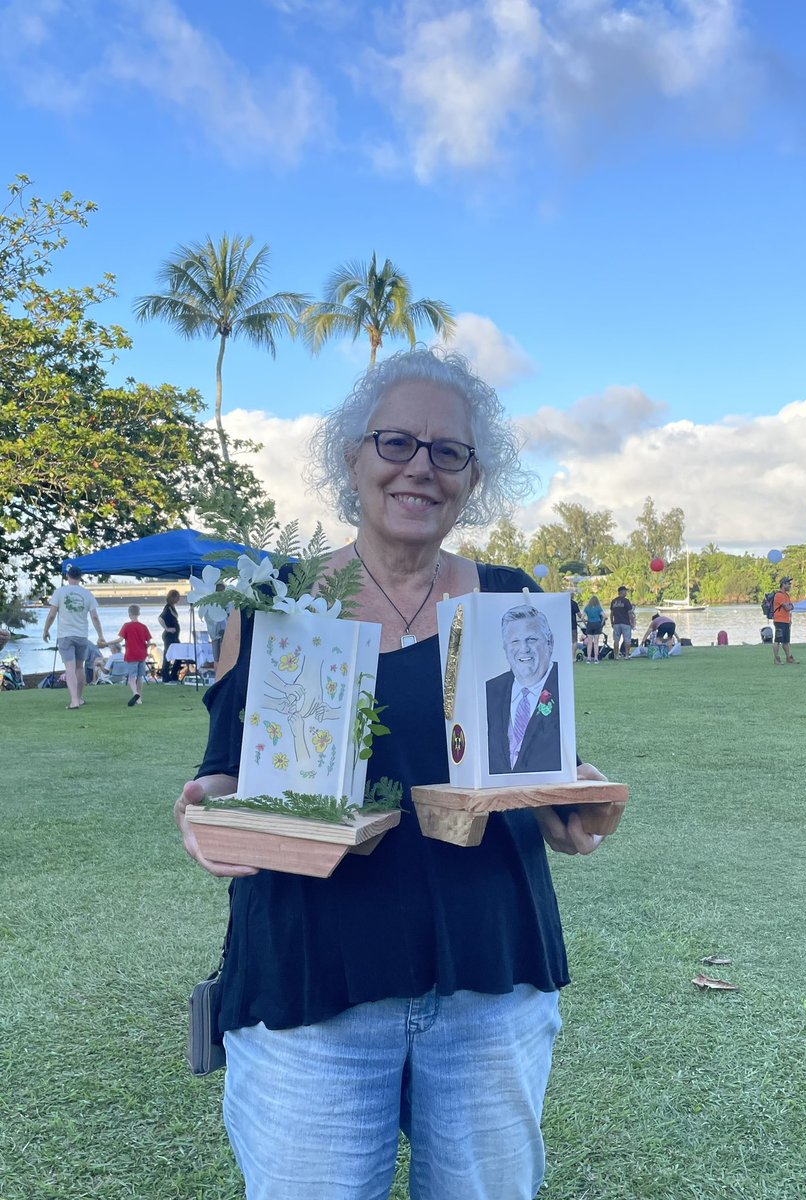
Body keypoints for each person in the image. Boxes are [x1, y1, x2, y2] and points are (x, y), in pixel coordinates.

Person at [174, 348, 610, 1200]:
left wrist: (578, 807)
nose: (421, 468)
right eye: (397, 443)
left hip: (489, 975)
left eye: (448, 452)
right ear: (353, 458)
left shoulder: (510, 602)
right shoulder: (274, 605)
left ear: (474, 476)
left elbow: (537, 786)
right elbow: (228, 777)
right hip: (312, 982)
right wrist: (204, 811)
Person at [486, 604, 562, 775]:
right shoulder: (490, 691)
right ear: (505, 648)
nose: (524, 648)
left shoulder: (564, 686)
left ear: (550, 642)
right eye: (515, 641)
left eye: (531, 639)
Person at [42, 565, 107, 709]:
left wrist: (46, 630)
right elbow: (95, 617)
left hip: (65, 635)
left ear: (67, 576)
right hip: (82, 635)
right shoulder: (87, 594)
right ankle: (79, 697)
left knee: (69, 668)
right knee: (80, 667)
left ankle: (74, 701)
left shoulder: (60, 592)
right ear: (80, 577)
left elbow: (52, 614)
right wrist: (100, 635)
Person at [118, 604, 153, 707]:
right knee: (140, 676)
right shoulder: (143, 627)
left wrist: (107, 643)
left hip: (131, 654)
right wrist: (145, 648)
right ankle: (139, 698)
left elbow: (120, 639)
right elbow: (149, 642)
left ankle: (135, 693)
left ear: (129, 614)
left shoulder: (126, 626)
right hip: (142, 654)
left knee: (132, 677)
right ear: (139, 614)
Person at [771, 576, 797, 665]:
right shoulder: (779, 595)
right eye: (788, 584)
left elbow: (790, 607)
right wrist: (790, 606)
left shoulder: (786, 595)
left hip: (786, 620)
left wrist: (790, 619)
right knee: (778, 640)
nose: (790, 586)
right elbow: (787, 607)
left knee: (786, 641)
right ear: (783, 584)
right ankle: (776, 658)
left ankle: (789, 657)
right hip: (779, 621)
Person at [159, 589, 182, 683]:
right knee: (167, 655)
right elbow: (160, 618)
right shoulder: (167, 608)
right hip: (169, 636)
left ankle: (173, 674)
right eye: (177, 597)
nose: (179, 599)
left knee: (179, 654)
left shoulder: (172, 607)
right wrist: (167, 628)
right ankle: (165, 675)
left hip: (175, 636)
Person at [205, 583, 230, 663]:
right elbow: (209, 618)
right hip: (216, 633)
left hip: (224, 631)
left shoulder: (226, 603)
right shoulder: (211, 603)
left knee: (221, 657)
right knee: (217, 658)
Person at [609, 585, 635, 659]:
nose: (626, 592)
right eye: (625, 591)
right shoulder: (626, 601)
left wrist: (612, 622)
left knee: (616, 640)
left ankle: (616, 655)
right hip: (625, 623)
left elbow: (611, 613)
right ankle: (626, 655)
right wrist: (632, 622)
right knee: (627, 640)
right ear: (621, 592)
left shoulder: (613, 601)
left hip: (616, 623)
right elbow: (630, 613)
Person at [583, 593, 605, 663]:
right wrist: (601, 623)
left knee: (589, 643)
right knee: (596, 643)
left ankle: (589, 658)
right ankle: (596, 658)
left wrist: (585, 623)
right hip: (597, 624)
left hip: (589, 624)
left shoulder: (587, 607)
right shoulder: (598, 607)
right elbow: (604, 616)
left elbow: (582, 617)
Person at [568, 591, 582, 662]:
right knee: (574, 641)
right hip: (572, 624)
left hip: (564, 625)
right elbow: (579, 615)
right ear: (572, 596)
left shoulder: (562, 603)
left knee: (566, 641)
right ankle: (573, 657)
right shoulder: (574, 603)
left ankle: (566, 656)